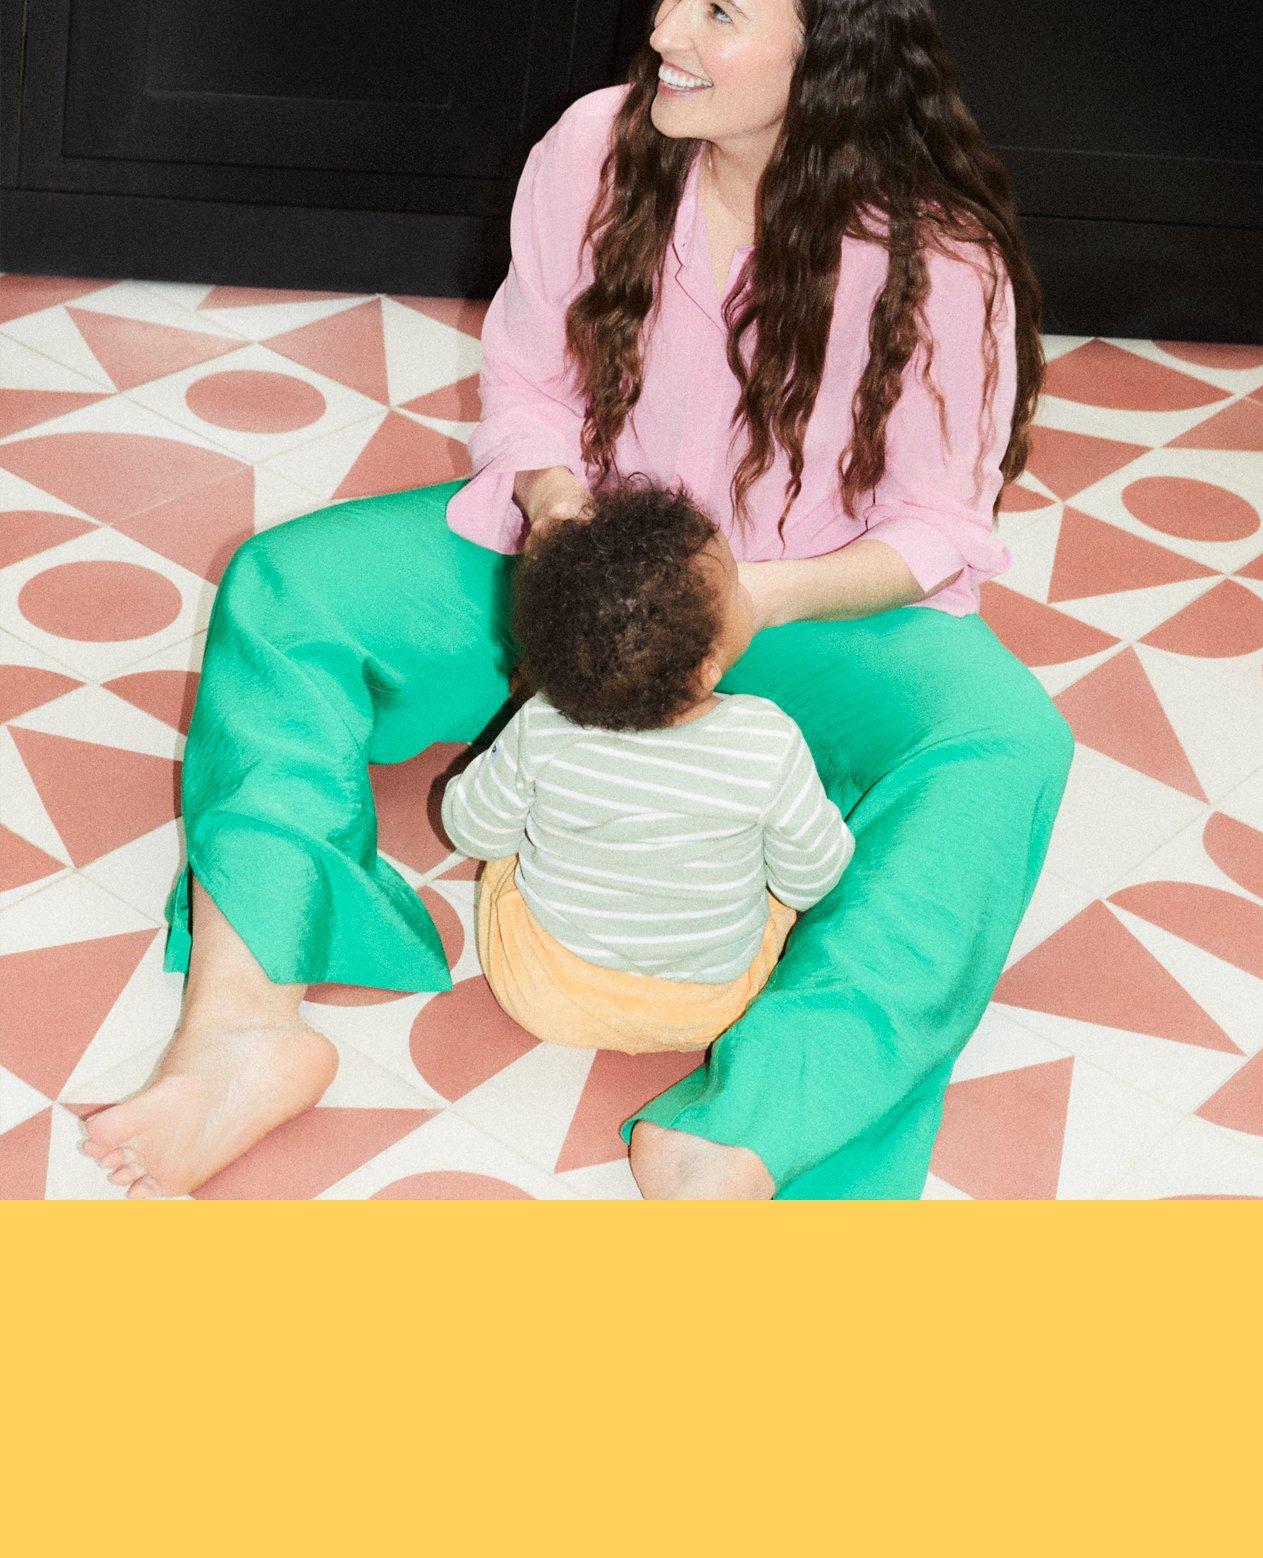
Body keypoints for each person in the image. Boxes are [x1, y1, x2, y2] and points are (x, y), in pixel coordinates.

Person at [80, 0, 1073, 1202]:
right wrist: (557, 514)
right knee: (289, 590)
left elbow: (939, 524)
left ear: (836, 53)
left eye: (719, 11)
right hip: (573, 580)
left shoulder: (940, 255)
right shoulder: (596, 145)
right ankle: (240, 1023)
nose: (664, 31)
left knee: (1005, 744)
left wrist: (758, 597)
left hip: (797, 607)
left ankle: (747, 1131)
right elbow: (529, 381)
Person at [442, 482, 854, 1053]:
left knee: (506, 848)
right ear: (710, 667)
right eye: (736, 588)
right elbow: (812, 880)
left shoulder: (543, 724)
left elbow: (474, 831)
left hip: (544, 990)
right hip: (707, 1011)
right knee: (782, 890)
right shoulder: (767, 741)